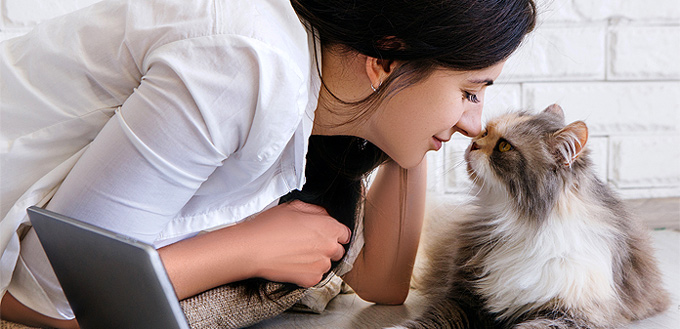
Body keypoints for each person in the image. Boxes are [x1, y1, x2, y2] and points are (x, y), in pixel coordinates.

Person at [0, 0, 537, 327]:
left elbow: (384, 284)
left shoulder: (337, 97)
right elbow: (63, 296)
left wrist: (409, 137)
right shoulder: (245, 66)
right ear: (383, 60)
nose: (475, 123)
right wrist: (247, 248)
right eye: (471, 91)